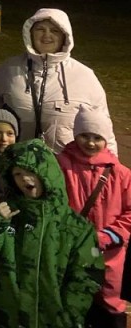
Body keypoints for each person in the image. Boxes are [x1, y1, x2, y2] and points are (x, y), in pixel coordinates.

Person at [0, 138, 103, 328]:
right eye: (18, 174)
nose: (25, 179)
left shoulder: (76, 226)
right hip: (10, 318)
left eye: (31, 172)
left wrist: (70, 315)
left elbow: (87, 275)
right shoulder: (9, 214)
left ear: (46, 174)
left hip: (55, 320)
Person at [0, 8, 115, 154]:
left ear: (65, 36)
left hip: (67, 169)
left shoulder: (85, 76)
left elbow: (102, 127)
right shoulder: (9, 69)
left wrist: (109, 169)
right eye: (40, 29)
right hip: (16, 166)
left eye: (55, 31)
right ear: (30, 33)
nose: (46, 36)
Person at [58, 108, 131, 328]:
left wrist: (105, 237)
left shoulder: (121, 173)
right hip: (71, 251)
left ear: (106, 138)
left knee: (110, 304)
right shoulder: (60, 165)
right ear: (75, 134)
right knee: (73, 302)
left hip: (110, 253)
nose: (90, 143)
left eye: (97, 137)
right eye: (84, 136)